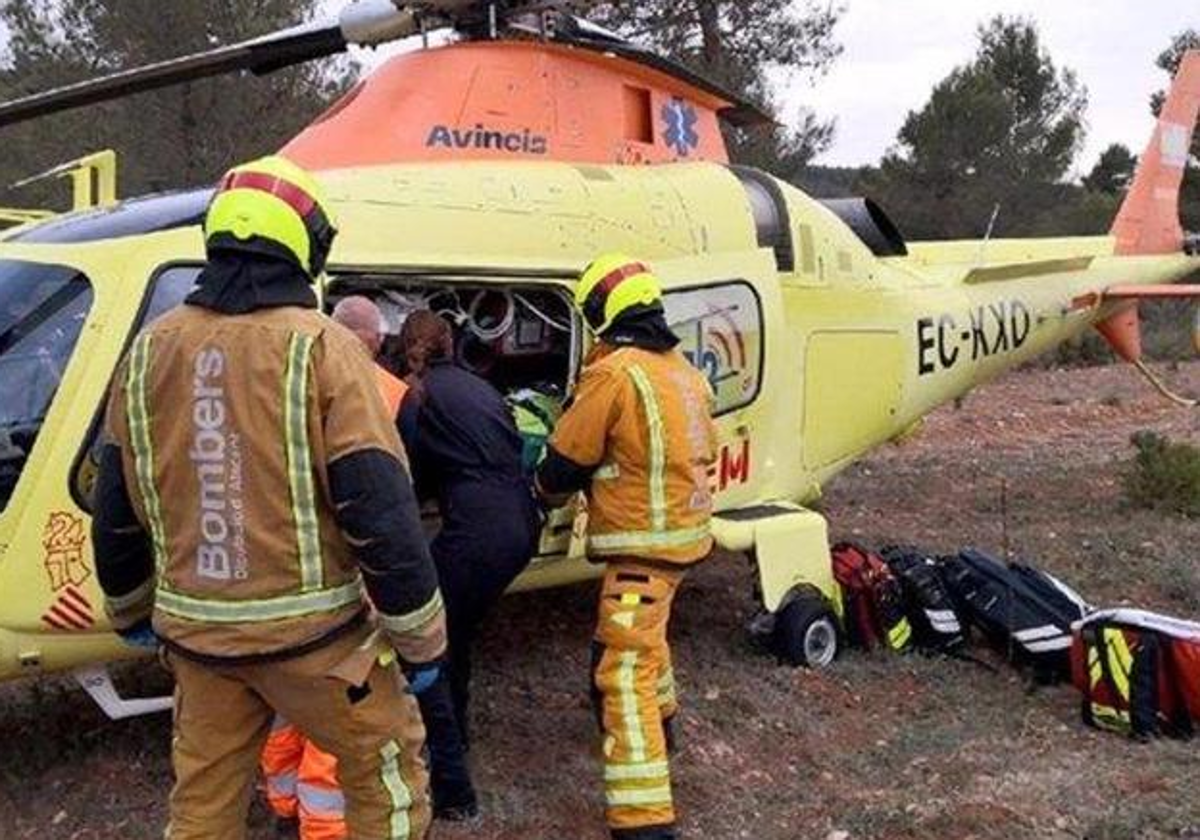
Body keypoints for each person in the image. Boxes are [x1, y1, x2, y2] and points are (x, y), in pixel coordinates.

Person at [91, 155, 445, 840]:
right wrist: (420, 640)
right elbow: (380, 510)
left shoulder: (147, 352)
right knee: (387, 783)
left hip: (198, 651)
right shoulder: (325, 350)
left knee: (201, 806)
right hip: (319, 649)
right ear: (307, 245)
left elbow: (117, 507)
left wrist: (130, 607)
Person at [535, 255, 717, 840]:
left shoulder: (615, 375)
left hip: (643, 548)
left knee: (623, 674)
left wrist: (540, 488)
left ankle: (644, 820)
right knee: (648, 641)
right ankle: (666, 729)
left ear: (600, 315)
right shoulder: (684, 373)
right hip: (683, 540)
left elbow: (568, 456)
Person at [259, 295, 413, 840]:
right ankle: (321, 825)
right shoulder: (390, 392)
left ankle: (282, 805)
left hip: (287, 572)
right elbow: (393, 501)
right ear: (372, 341)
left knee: (287, 708)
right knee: (342, 709)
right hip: (350, 577)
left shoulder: (282, 377)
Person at [396, 310, 543, 819]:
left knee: (427, 642)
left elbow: (405, 475)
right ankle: (457, 733)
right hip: (522, 520)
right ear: (452, 343)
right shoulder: (478, 386)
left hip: (479, 530)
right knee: (453, 633)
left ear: (406, 347)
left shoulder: (417, 396)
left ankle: (453, 788)